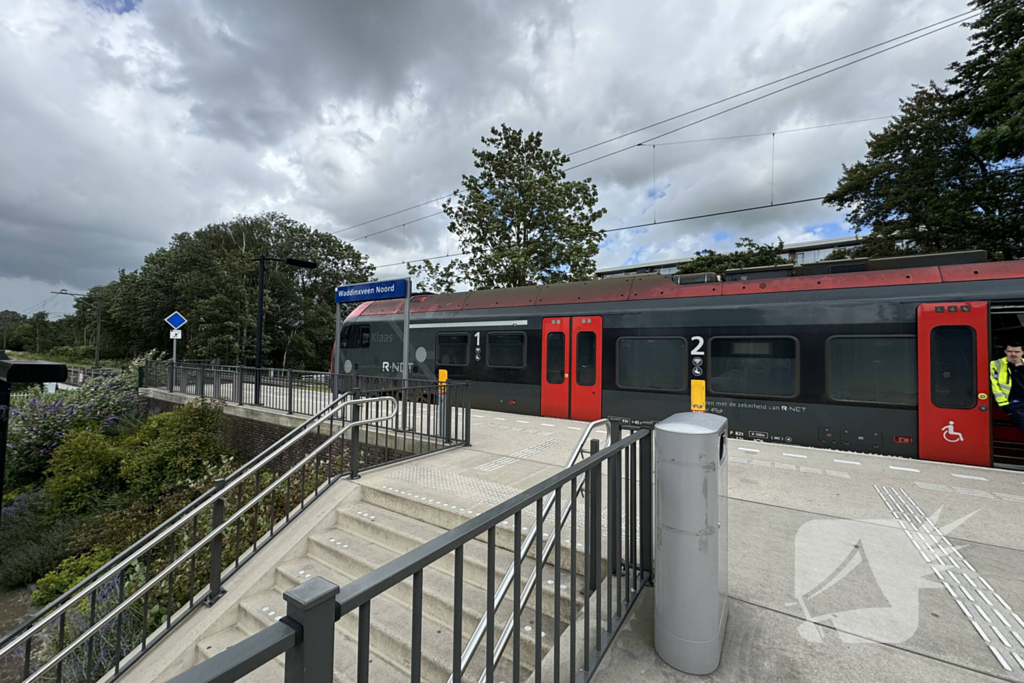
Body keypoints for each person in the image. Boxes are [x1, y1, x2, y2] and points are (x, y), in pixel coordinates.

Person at [991, 341, 1024, 438]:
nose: (1013, 354)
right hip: (1013, 403)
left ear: (1022, 352)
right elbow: (994, 385)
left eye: (1017, 352)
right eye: (1010, 351)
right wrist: (1004, 404)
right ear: (1005, 351)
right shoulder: (996, 364)